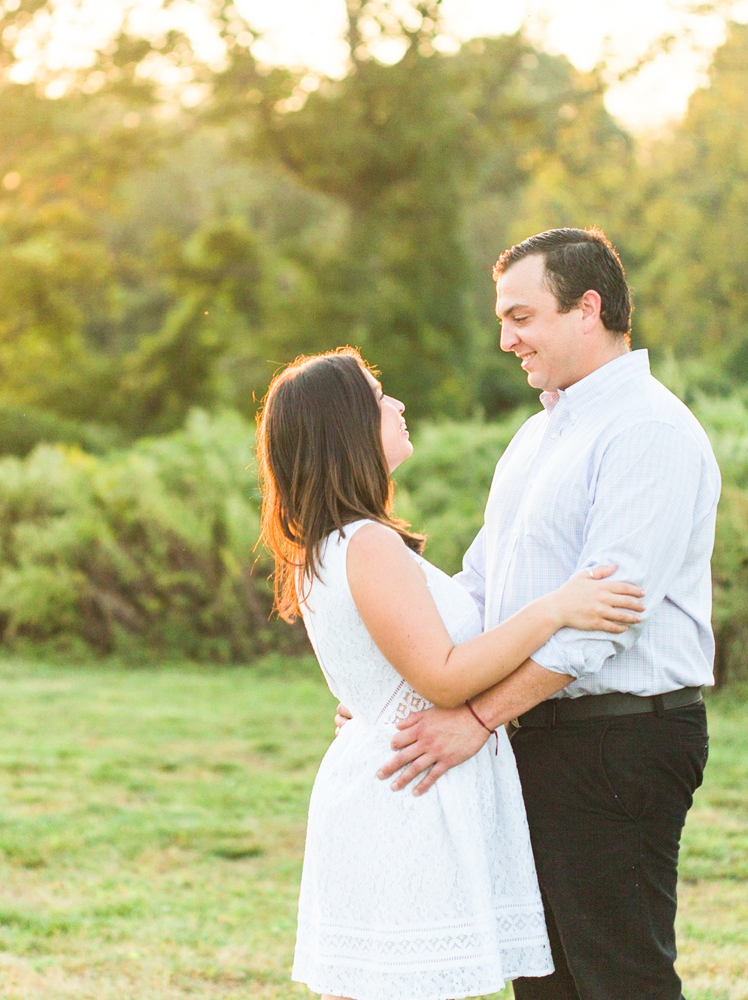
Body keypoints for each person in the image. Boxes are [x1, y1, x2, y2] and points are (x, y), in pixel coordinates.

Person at [373, 228, 721, 999]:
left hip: (621, 738)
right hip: (537, 739)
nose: (506, 339)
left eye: (520, 316)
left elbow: (605, 621)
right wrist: (389, 689)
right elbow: (478, 589)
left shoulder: (649, 431)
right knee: (543, 980)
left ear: (586, 308)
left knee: (619, 975)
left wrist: (478, 719)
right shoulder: (537, 437)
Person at [256, 347, 648, 1000]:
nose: (398, 405)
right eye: (380, 397)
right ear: (347, 426)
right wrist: (555, 608)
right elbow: (443, 676)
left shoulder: (331, 543)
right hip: (409, 787)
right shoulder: (367, 543)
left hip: (391, 776)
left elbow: (397, 669)